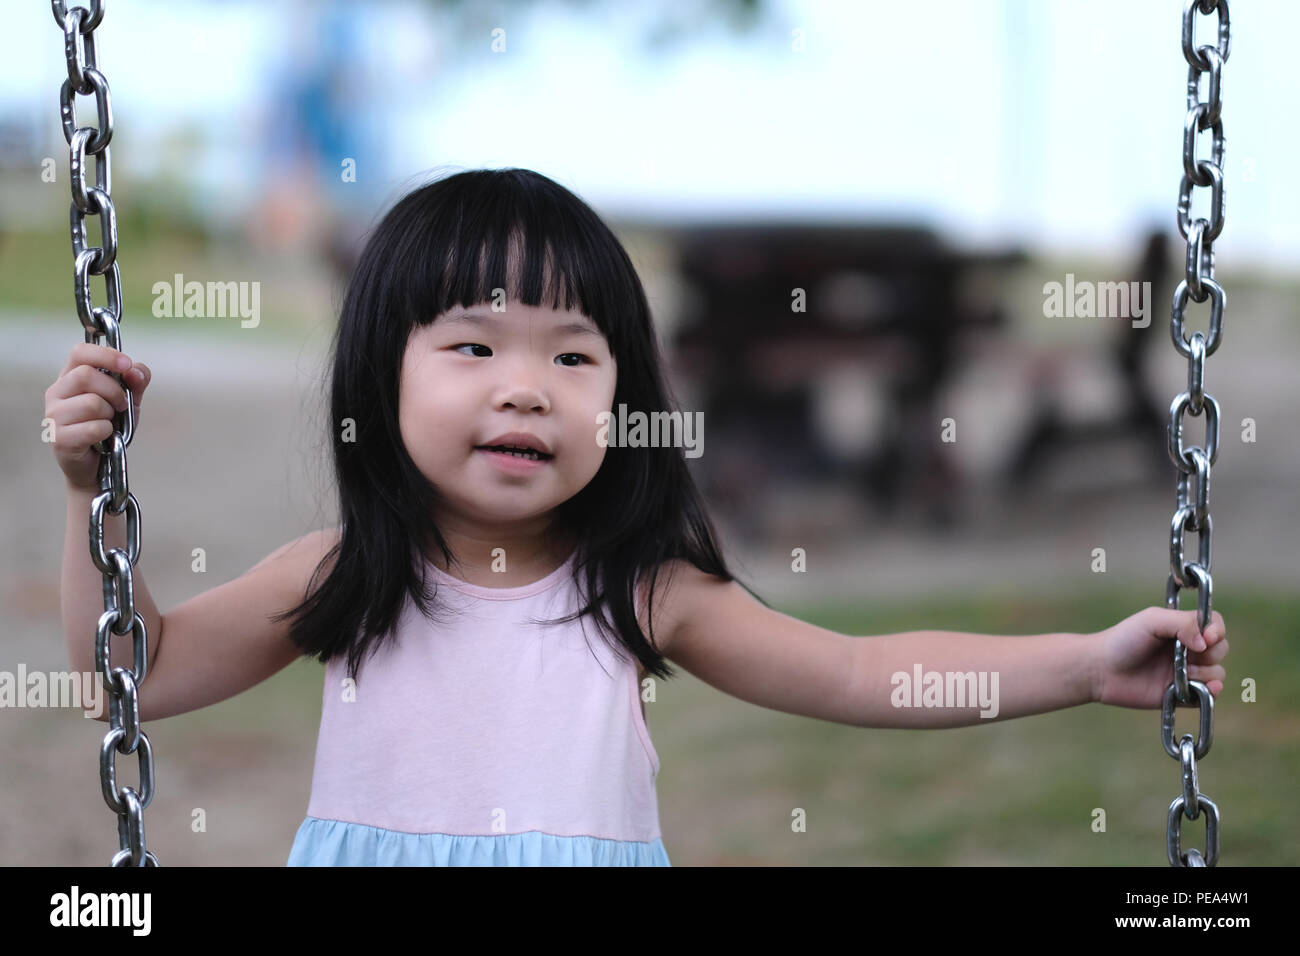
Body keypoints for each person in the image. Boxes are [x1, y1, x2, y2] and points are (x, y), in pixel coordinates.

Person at [49, 168, 1229, 867]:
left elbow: (864, 669)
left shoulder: (637, 588)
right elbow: (132, 675)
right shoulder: (346, 571)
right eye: (472, 345)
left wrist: (1081, 662)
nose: (525, 385)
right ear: (379, 377)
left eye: (573, 354)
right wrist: (84, 494)